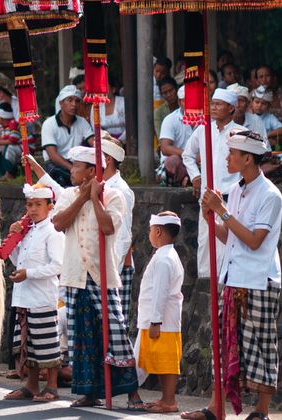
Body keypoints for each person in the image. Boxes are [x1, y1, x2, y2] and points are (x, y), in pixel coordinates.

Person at [186, 129, 281, 420]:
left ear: (248, 158)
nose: (226, 158)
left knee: (263, 344)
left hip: (259, 279)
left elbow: (254, 241)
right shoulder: (238, 189)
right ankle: (217, 408)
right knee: (224, 344)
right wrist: (210, 218)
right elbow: (230, 237)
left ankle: (261, 410)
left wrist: (222, 211)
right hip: (234, 276)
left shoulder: (271, 196)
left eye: (232, 154)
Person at [50, 146, 143, 409]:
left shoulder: (114, 196)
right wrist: (82, 198)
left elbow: (108, 227)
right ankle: (89, 391)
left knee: (115, 332)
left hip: (102, 275)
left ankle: (131, 391)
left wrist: (94, 198)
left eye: (76, 166)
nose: (72, 170)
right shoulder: (68, 195)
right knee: (81, 335)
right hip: (75, 275)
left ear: (91, 171)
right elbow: (59, 223)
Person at [3, 183, 64, 402]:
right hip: (24, 296)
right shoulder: (27, 232)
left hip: (42, 297)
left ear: (50, 206)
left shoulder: (53, 232)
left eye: (38, 204)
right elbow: (17, 259)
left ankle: (53, 387)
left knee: (46, 345)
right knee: (27, 345)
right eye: (29, 204)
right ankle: (31, 386)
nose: (33, 209)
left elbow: (57, 266)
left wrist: (29, 273)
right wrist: (14, 241)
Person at [182, 88, 244, 278]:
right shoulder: (203, 129)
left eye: (219, 104)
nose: (214, 107)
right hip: (207, 199)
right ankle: (205, 289)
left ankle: (226, 287)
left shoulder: (240, 133)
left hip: (231, 198)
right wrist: (195, 176)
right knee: (206, 244)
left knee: (229, 244)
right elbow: (187, 154)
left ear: (231, 108)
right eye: (213, 103)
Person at [135, 212, 184, 414]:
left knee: (166, 362)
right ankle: (164, 398)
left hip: (160, 320)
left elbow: (160, 292)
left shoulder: (164, 259)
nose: (149, 234)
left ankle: (169, 400)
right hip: (157, 319)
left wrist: (155, 321)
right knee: (160, 360)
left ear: (157, 231)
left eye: (149, 230)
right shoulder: (165, 255)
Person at [101, 135, 135, 326]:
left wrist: (113, 269)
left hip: (116, 263)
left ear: (107, 159)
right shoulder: (101, 185)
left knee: (116, 324)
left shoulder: (121, 189)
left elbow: (123, 235)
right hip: (106, 263)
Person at [40, 85, 94, 187]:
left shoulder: (82, 122)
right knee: (59, 179)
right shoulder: (49, 123)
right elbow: (52, 155)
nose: (74, 104)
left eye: (77, 101)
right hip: (56, 164)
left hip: (75, 163)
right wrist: (72, 168)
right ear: (61, 103)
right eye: (70, 100)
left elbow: (93, 142)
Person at [157, 87, 193, 186]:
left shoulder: (204, 119)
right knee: (172, 161)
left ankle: (189, 180)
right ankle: (187, 180)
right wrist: (189, 155)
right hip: (180, 160)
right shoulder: (170, 119)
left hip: (198, 161)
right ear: (180, 102)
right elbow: (165, 148)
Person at [228, 83, 270, 150]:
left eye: (241, 100)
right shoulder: (221, 123)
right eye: (234, 100)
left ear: (248, 104)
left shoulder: (256, 121)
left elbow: (265, 148)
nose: (237, 105)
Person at [0, 102, 22, 180]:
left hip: (23, 147)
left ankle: (9, 174)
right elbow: (5, 138)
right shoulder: (4, 127)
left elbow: (13, 140)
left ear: (1, 117)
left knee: (10, 149)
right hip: (15, 145)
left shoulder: (13, 124)